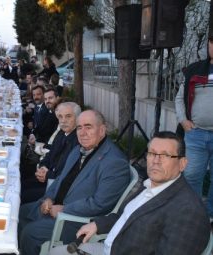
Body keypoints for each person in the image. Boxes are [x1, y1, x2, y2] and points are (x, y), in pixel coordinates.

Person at [51, 131, 210, 255]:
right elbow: (126, 216)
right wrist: (98, 224)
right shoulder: (151, 185)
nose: (156, 160)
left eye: (166, 155)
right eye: (152, 153)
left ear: (182, 164)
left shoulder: (189, 211)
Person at [18, 110, 130, 255]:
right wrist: (49, 198)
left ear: (102, 130)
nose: (82, 133)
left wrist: (64, 209)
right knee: (19, 213)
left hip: (76, 220)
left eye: (88, 127)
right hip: (55, 207)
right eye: (79, 127)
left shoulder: (115, 162)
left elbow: (100, 203)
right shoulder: (78, 150)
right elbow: (60, 179)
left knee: (30, 233)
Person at [175, 37, 213, 219]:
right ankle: (193, 216)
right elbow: (179, 98)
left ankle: (211, 216)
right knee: (191, 177)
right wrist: (183, 120)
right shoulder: (195, 70)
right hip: (196, 134)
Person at [21, 102, 81, 204]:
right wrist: (43, 166)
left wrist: (47, 174)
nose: (63, 120)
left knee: (21, 195)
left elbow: (67, 174)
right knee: (20, 183)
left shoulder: (78, 141)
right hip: (48, 176)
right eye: (60, 117)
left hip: (56, 188)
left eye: (68, 116)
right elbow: (50, 153)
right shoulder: (62, 133)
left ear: (78, 118)